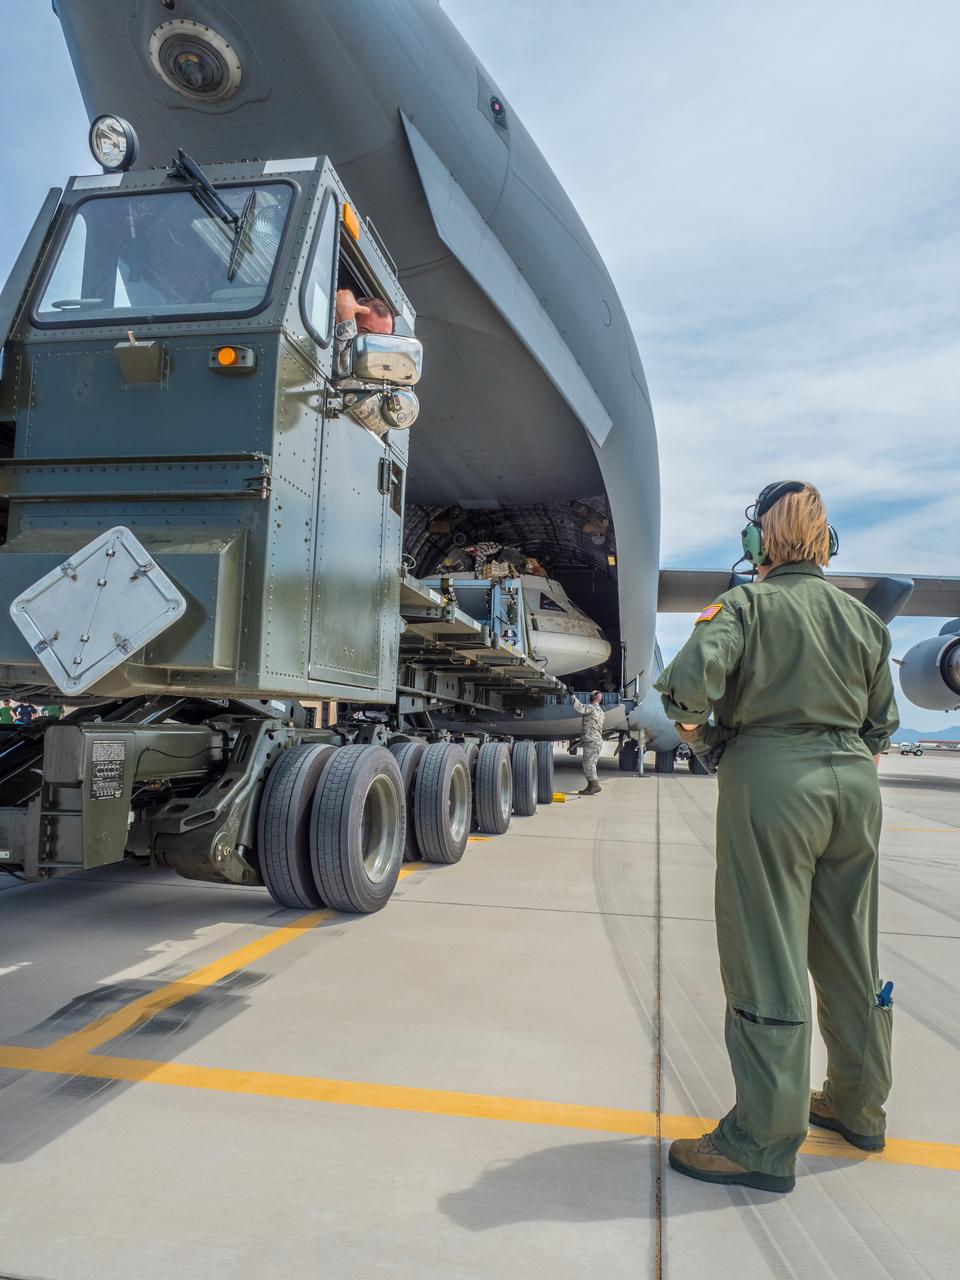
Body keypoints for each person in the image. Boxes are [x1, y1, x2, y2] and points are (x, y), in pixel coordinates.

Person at [654, 481, 898, 1194]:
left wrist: (710, 743)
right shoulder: (862, 622)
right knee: (850, 948)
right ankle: (858, 1105)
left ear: (759, 541)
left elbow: (683, 692)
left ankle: (761, 1139)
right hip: (854, 788)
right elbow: (882, 724)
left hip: (772, 783)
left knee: (767, 950)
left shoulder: (745, 606)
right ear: (826, 544)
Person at [571, 691, 605, 796]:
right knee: (592, 764)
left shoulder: (591, 708)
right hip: (597, 740)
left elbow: (579, 707)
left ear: (592, 697)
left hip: (591, 741)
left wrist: (572, 695)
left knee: (588, 765)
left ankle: (595, 785)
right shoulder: (601, 712)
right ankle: (590, 787)